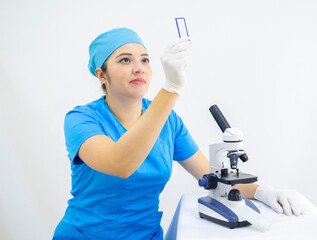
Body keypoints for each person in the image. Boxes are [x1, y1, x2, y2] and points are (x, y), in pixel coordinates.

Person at [53, 28, 307, 240]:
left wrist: (264, 191)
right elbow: (121, 163)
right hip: (86, 235)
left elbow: (213, 176)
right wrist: (171, 88)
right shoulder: (81, 119)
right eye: (125, 60)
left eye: (145, 59)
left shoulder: (168, 121)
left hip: (147, 235)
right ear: (101, 74)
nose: (139, 68)